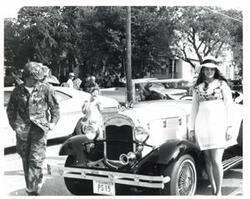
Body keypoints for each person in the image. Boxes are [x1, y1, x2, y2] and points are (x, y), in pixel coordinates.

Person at [6, 61, 60, 195]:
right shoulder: (18, 90)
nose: (36, 81)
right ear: (27, 77)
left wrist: (52, 123)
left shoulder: (46, 88)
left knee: (36, 159)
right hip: (22, 130)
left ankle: (33, 189)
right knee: (25, 158)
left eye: (38, 78)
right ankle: (31, 184)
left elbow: (55, 108)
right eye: (33, 78)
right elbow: (10, 110)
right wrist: (15, 126)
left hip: (39, 130)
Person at [189, 57, 233, 195]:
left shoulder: (222, 85)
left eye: (211, 69)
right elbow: (194, 109)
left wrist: (230, 126)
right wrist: (191, 129)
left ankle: (219, 192)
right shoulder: (197, 88)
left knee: (216, 160)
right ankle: (214, 189)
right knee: (207, 159)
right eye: (206, 69)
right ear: (203, 71)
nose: (209, 71)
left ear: (215, 70)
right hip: (202, 126)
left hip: (218, 126)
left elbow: (229, 107)